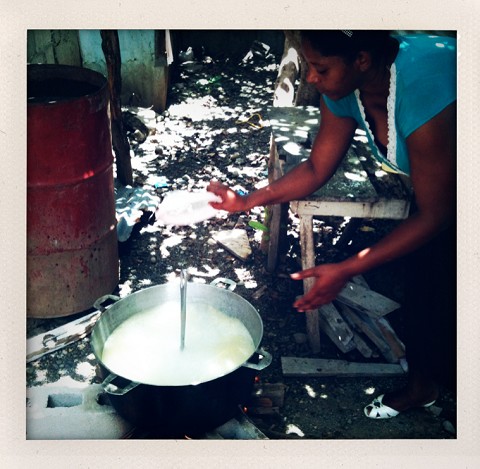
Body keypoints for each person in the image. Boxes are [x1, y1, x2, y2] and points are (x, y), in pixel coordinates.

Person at [207, 30, 456, 420]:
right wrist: (246, 200)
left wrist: (347, 268)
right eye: (310, 66)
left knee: (442, 279)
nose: (311, 78)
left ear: (362, 60)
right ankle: (425, 383)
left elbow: (437, 215)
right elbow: (315, 167)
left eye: (320, 68)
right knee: (427, 282)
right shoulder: (345, 91)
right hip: (443, 192)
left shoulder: (422, 90)